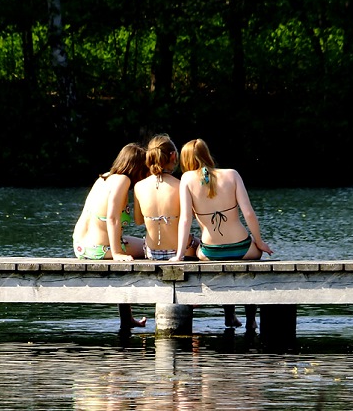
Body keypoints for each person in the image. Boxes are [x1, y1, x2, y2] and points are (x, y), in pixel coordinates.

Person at [171, 138, 273, 330]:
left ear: (185, 160)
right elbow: (249, 213)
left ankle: (230, 315)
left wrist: (178, 255)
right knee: (250, 266)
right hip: (243, 248)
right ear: (207, 154)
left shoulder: (186, 180)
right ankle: (251, 319)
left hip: (210, 252)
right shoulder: (232, 174)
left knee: (198, 252)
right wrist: (259, 242)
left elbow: (185, 219)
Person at [73, 142, 148, 328]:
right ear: (137, 166)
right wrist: (117, 254)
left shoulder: (104, 178)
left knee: (129, 245)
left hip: (81, 246)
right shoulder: (123, 180)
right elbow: (112, 218)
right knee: (151, 248)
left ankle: (127, 319)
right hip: (100, 248)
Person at [132, 134, 199, 261]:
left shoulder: (139, 186)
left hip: (152, 252)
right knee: (204, 244)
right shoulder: (182, 185)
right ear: (173, 156)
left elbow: (139, 221)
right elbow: (195, 216)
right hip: (183, 250)